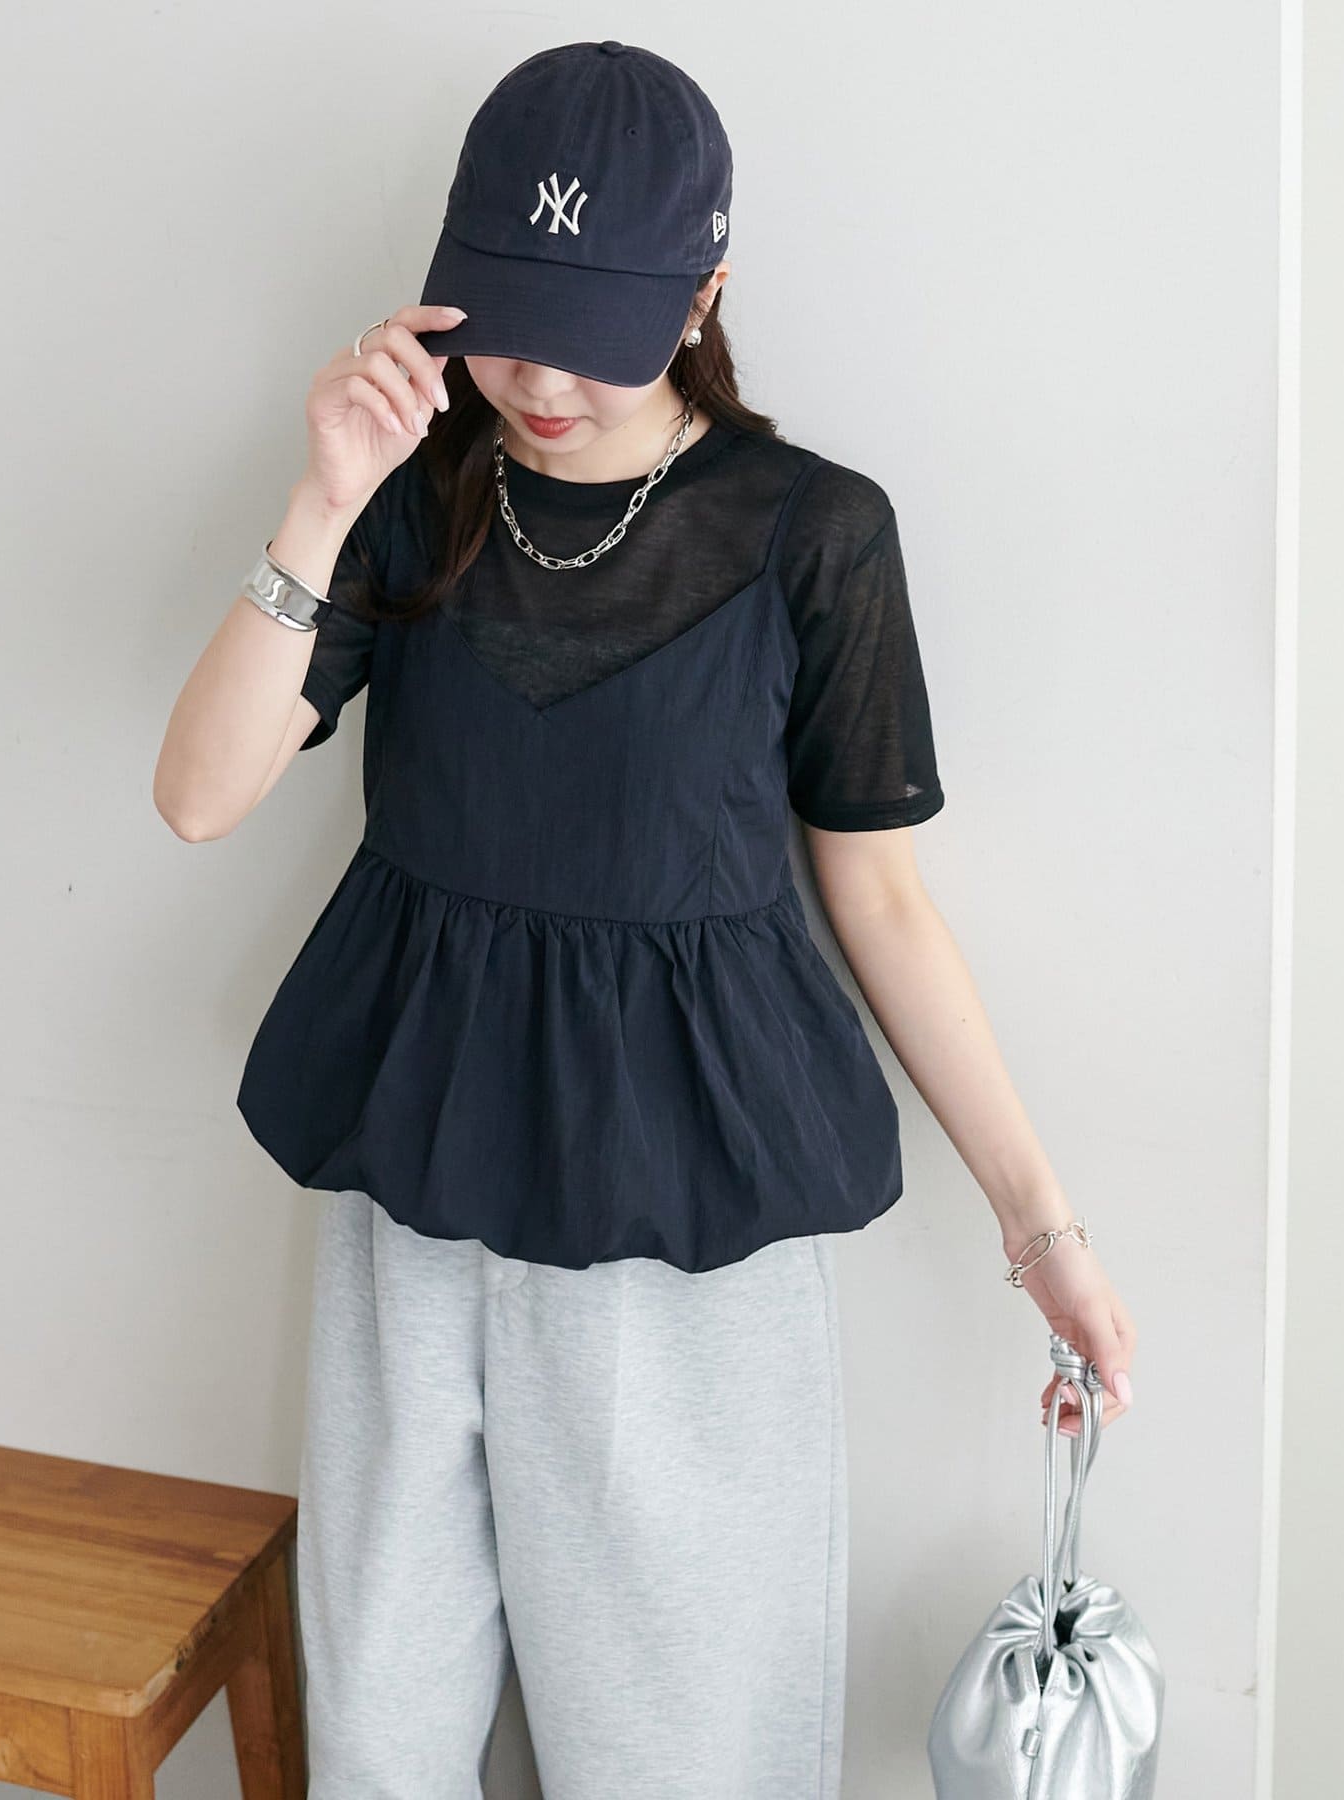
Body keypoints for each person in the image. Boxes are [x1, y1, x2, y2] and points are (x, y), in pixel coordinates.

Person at [154, 38, 1137, 1800]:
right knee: (379, 1737)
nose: (536, 380)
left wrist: (1039, 1226)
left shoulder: (815, 535)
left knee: (684, 1754)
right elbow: (199, 794)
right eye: (505, 322)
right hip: (418, 1191)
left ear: (703, 289)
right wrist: (322, 494)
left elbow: (880, 900)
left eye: (589, 331)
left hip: (682, 1221)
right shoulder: (412, 493)